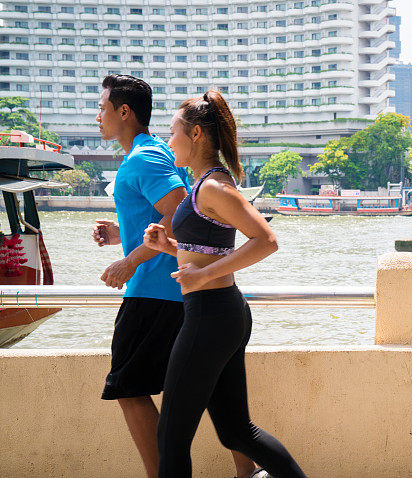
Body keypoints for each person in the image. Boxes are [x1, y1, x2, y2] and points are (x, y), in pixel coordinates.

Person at [93, 75, 266, 478]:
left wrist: (130, 261)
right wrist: (122, 234)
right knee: (219, 406)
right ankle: (249, 472)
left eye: (102, 107)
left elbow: (176, 215)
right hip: (179, 291)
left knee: (129, 388)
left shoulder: (146, 158)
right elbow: (176, 219)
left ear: (124, 111)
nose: (97, 116)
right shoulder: (149, 153)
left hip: (157, 292)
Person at [143, 91, 306, 478]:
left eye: (173, 133)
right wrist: (169, 247)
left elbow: (265, 239)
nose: (169, 143)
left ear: (196, 134)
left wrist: (202, 275)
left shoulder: (215, 186)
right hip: (216, 314)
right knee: (236, 431)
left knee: (170, 438)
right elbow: (206, 249)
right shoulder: (203, 185)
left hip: (212, 316)